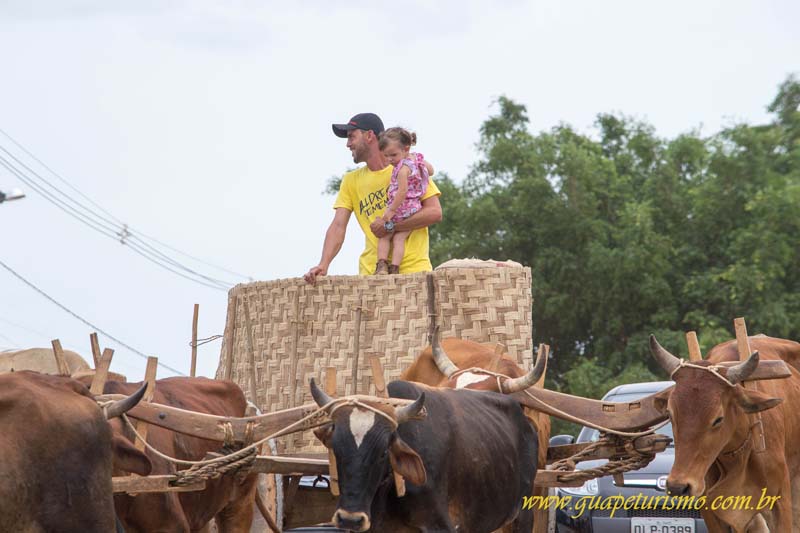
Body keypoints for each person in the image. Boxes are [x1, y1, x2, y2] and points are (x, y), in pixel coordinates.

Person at [303, 113, 442, 284]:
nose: (348, 144)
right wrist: (323, 265)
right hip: (370, 276)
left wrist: (390, 226)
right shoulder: (350, 180)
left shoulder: (410, 168)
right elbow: (338, 225)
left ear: (369, 136)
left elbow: (435, 212)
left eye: (351, 136)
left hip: (414, 272)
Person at [375, 127, 434, 275]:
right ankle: (395, 268)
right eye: (386, 156)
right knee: (399, 238)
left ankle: (381, 265)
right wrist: (421, 167)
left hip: (401, 207)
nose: (390, 160)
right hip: (414, 208)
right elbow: (431, 170)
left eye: (393, 155)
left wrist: (390, 211)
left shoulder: (402, 169)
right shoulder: (416, 160)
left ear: (405, 148)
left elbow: (401, 192)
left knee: (384, 236)